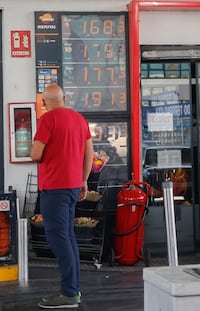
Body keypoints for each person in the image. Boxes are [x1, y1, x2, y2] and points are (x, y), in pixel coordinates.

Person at [31, 84, 94, 309]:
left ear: (44, 102)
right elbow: (90, 153)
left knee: (58, 238)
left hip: (54, 188)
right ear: (64, 98)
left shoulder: (47, 121)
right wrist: (83, 181)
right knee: (68, 238)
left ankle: (68, 293)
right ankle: (73, 290)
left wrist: (35, 151)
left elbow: (36, 153)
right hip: (72, 187)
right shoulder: (79, 120)